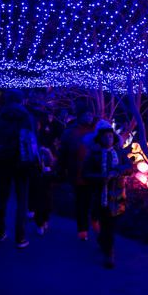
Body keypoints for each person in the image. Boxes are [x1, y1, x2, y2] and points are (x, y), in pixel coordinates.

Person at [0, 89, 38, 249]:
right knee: (22, 200)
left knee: (2, 197)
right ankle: (20, 237)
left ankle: (0, 231)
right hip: (22, 162)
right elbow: (32, 140)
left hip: (3, 161)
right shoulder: (26, 116)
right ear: (21, 100)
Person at [83, 120, 132, 268]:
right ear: (99, 138)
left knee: (110, 225)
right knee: (102, 222)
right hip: (99, 196)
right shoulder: (94, 155)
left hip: (116, 196)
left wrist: (118, 171)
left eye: (110, 136)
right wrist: (100, 178)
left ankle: (109, 253)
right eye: (105, 136)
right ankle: (104, 242)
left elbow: (129, 167)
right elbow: (85, 173)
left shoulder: (119, 153)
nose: (108, 139)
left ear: (114, 138)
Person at [59, 100, 96, 240]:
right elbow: (63, 151)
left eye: (91, 114)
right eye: (86, 114)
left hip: (95, 173)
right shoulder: (71, 131)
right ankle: (83, 229)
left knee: (93, 200)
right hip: (78, 172)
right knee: (81, 201)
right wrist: (61, 169)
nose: (89, 117)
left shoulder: (96, 129)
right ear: (80, 116)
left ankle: (94, 222)